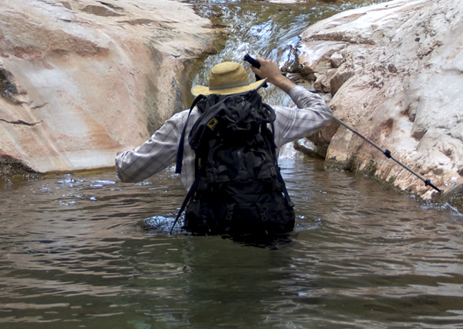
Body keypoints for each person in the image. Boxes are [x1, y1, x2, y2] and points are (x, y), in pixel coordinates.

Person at [115, 56, 334, 235]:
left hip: (209, 228)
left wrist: (122, 153)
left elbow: (128, 172)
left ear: (208, 90)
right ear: (249, 87)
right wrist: (278, 78)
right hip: (267, 225)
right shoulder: (272, 117)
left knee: (149, 224)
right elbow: (322, 112)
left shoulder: (183, 122)